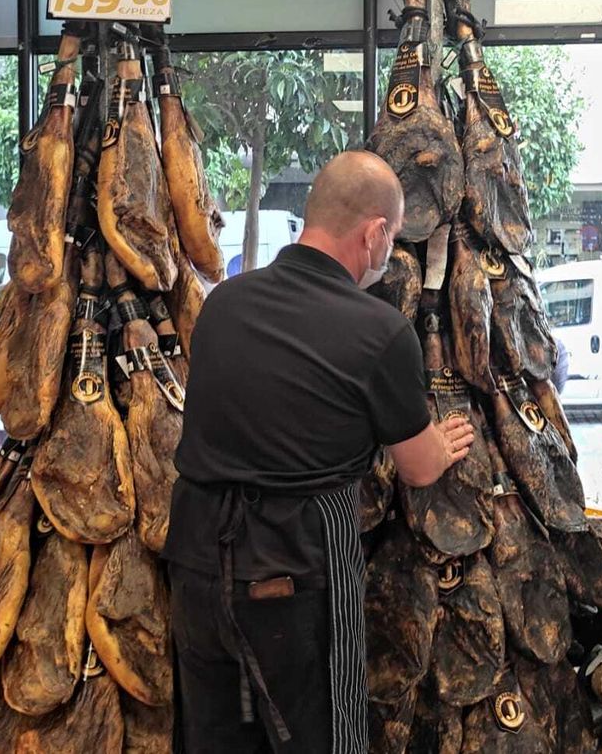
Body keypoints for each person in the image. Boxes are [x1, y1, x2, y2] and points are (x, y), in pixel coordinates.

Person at [164, 150, 475, 753]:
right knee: (321, 738)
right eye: (392, 237)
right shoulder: (379, 332)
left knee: (216, 739)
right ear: (376, 232)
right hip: (293, 568)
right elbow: (415, 468)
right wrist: (439, 442)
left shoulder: (222, 305)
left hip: (197, 559)